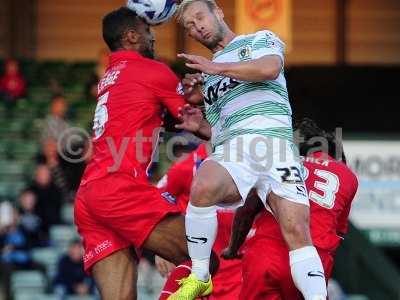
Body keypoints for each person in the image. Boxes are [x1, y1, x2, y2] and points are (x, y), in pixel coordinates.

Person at [169, 1, 327, 299]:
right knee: (203, 185)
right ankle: (200, 274)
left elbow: (269, 69)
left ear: (218, 11)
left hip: (276, 146)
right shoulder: (209, 80)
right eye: (189, 26)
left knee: (297, 232)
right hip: (235, 149)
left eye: (200, 17)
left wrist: (215, 68)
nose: (197, 27)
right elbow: (221, 131)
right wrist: (199, 122)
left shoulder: (260, 40)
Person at [74, 7, 217, 300]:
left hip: (89, 195)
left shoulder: (110, 77)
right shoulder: (151, 70)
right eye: (148, 32)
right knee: (204, 260)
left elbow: (152, 111)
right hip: (120, 188)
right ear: (131, 36)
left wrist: (181, 95)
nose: (153, 38)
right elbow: (194, 122)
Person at [223, 118, 358, 299]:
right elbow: (338, 233)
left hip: (268, 253)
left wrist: (233, 248)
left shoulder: (281, 164)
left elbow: (247, 210)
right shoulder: (348, 176)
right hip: (314, 260)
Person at [157, 143, 246, 300]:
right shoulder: (186, 167)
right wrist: (161, 245)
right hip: (198, 271)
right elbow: (157, 199)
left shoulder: (251, 162)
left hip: (239, 272)